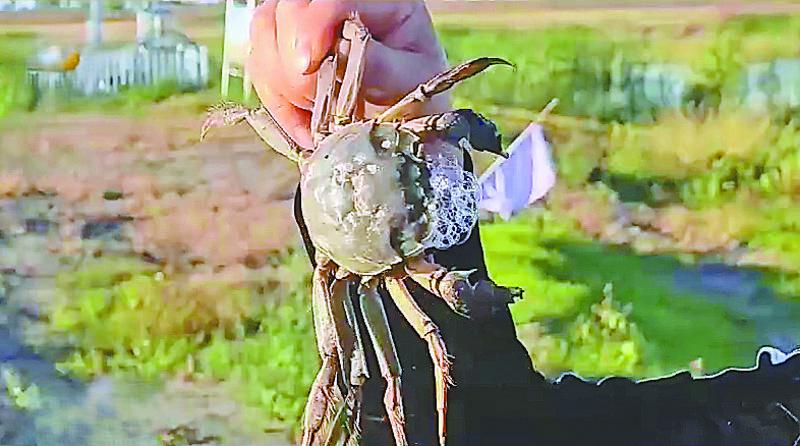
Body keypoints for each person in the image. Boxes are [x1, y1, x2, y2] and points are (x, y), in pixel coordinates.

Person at [246, 2, 800, 445]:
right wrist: (406, 112)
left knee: (402, 358)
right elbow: (493, 427)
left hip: (353, 194)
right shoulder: (774, 411)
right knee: (387, 357)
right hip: (345, 174)